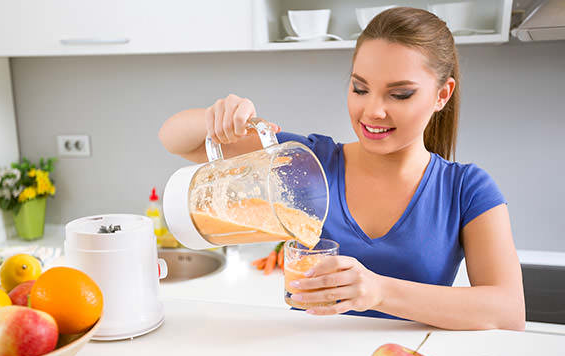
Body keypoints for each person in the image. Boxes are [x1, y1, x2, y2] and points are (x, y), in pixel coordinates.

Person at [158, 7, 525, 331]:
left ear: (441, 95)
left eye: (399, 94)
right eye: (360, 88)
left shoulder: (466, 189)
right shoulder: (306, 161)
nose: (372, 111)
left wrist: (377, 291)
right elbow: (177, 139)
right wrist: (219, 115)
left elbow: (508, 312)